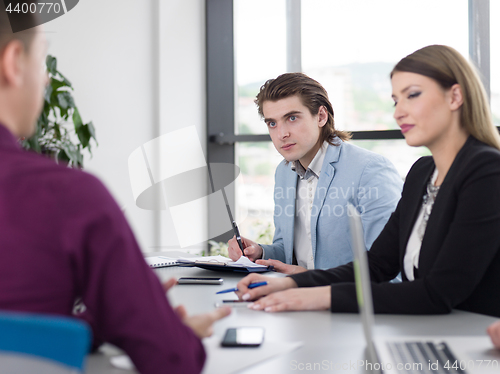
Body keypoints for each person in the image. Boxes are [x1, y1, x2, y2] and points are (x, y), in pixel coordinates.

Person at [0, 6, 229, 374]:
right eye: (41, 60)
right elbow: (173, 360)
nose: (44, 80)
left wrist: (99, 322)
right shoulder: (67, 196)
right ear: (13, 62)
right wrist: (155, 325)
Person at [234, 45, 500, 318]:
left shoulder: (487, 171)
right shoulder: (422, 172)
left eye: (413, 95)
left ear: (455, 96)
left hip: (471, 342)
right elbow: (375, 266)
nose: (398, 113)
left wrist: (314, 296)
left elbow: (436, 293)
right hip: (426, 329)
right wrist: (289, 283)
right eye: (396, 101)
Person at [227, 73, 402, 274]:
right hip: (296, 295)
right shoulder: (284, 173)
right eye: (272, 123)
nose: (281, 134)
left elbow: (390, 269)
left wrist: (312, 279)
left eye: (292, 118)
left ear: (321, 116)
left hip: (348, 302)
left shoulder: (370, 170)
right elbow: (290, 251)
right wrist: (259, 253)